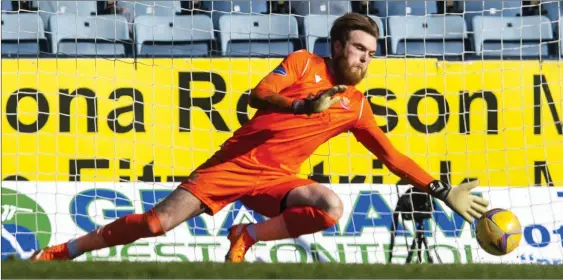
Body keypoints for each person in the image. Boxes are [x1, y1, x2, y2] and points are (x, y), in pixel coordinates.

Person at [29, 13, 489, 263]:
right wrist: (301, 107)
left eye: (371, 53)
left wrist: (440, 189)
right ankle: (64, 250)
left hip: (277, 180)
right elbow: (257, 95)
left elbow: (393, 157)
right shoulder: (304, 63)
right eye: (358, 48)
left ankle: (246, 235)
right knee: (154, 225)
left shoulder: (358, 107)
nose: (366, 59)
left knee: (330, 207)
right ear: (336, 46)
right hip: (231, 165)